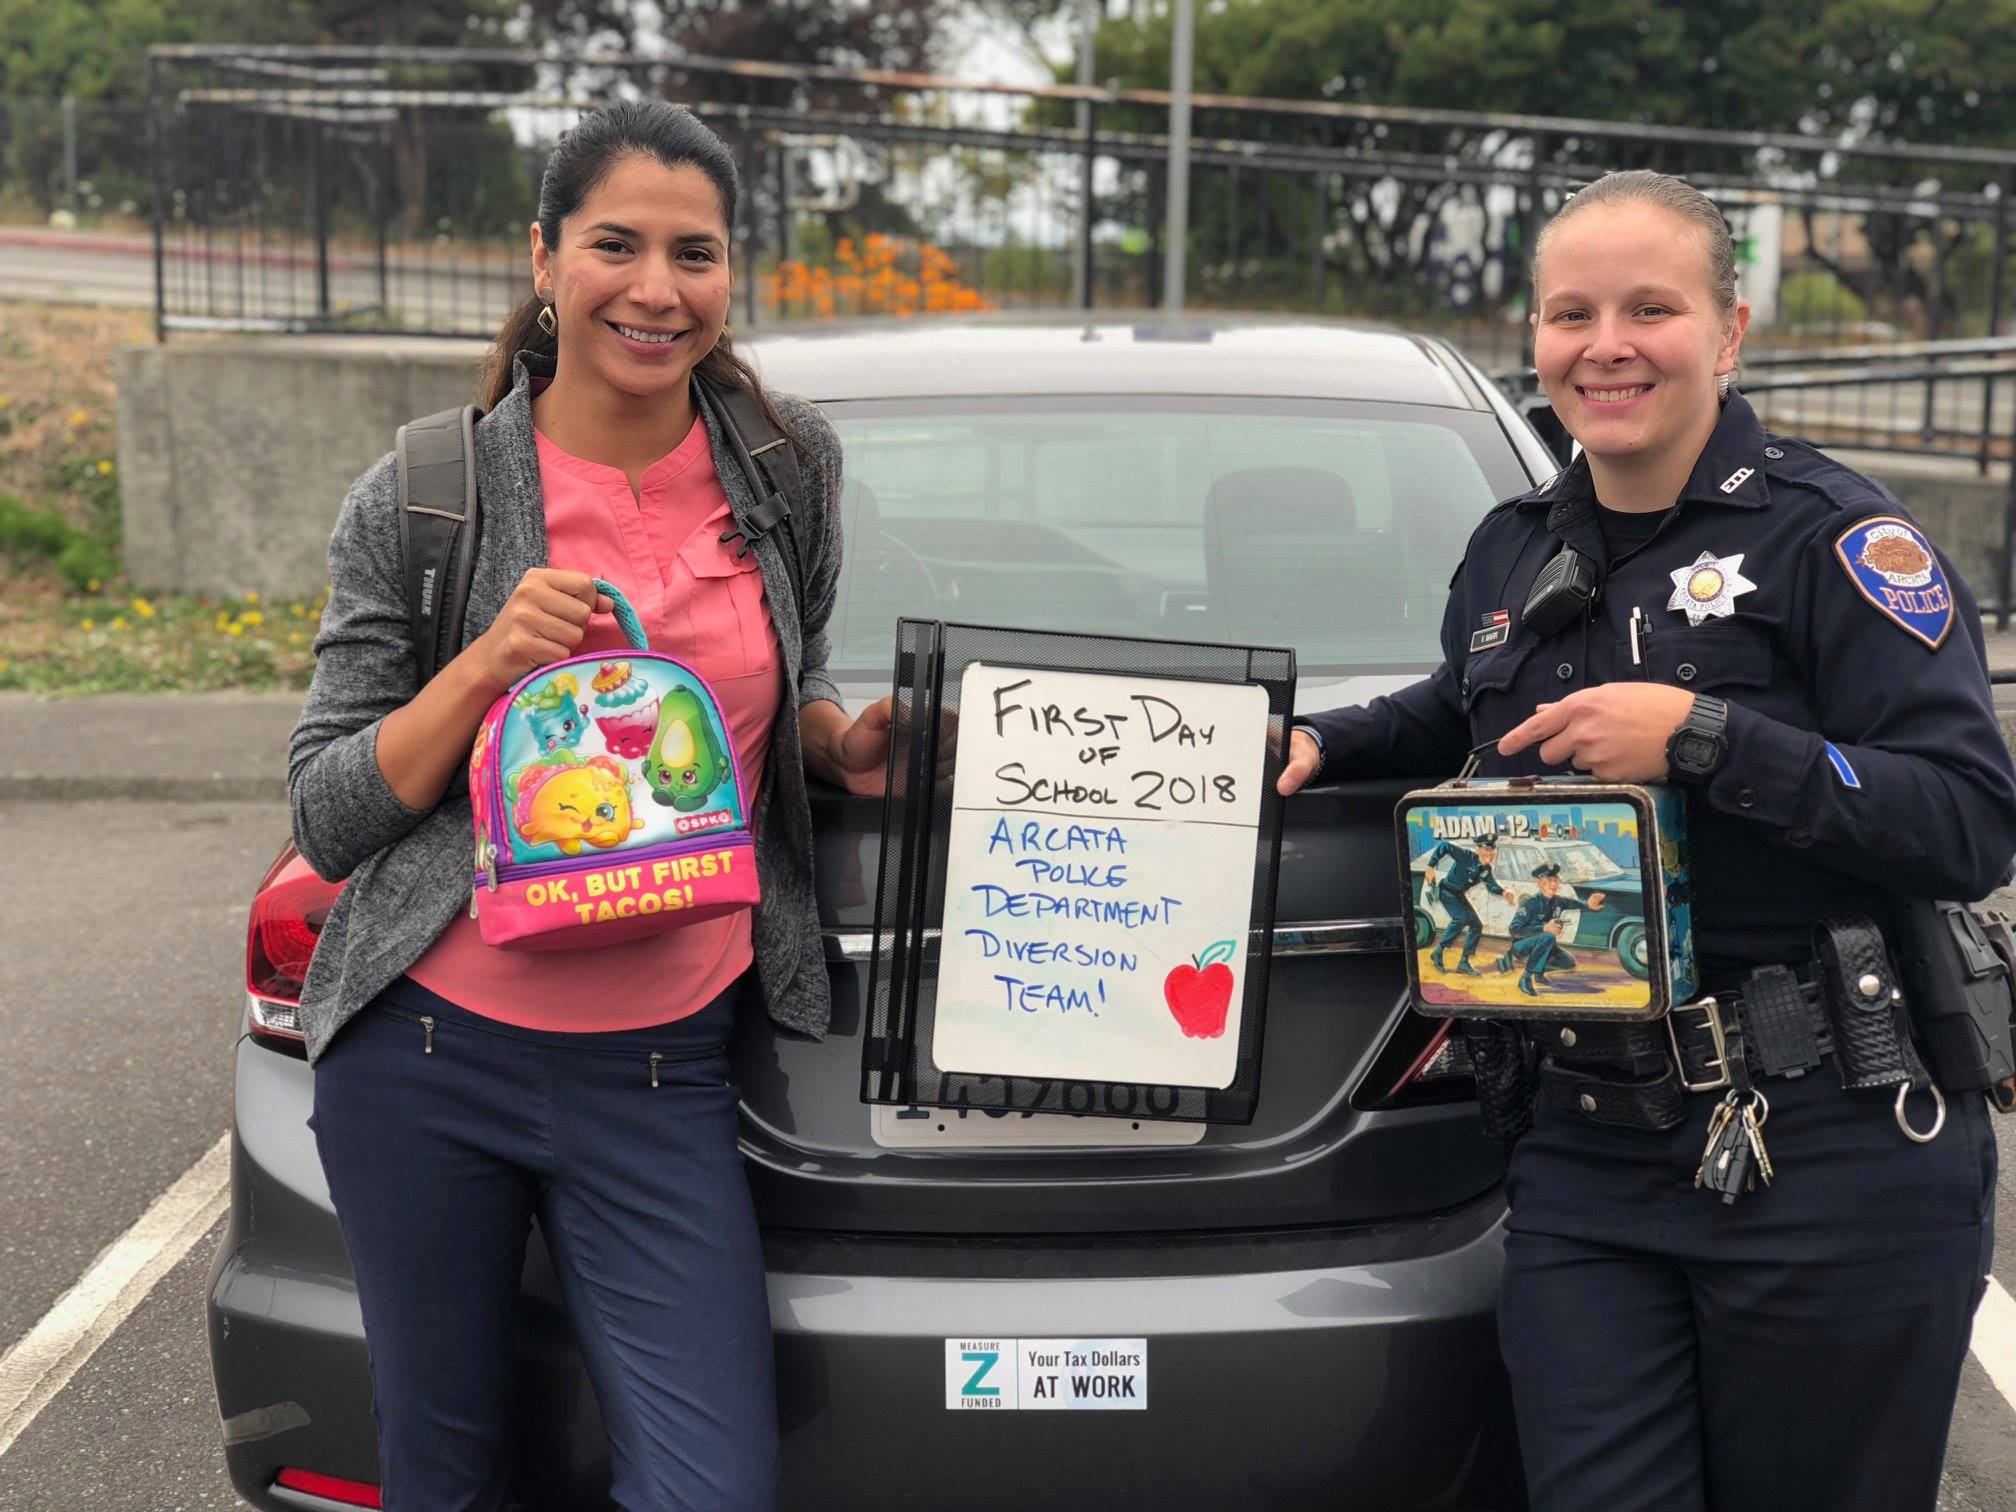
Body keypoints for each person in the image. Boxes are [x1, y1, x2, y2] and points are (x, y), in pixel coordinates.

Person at [1278, 169, 2016, 1512]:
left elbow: (1967, 821)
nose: (1604, 344)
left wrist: (1708, 737)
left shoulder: (1842, 543)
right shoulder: (1513, 548)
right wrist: (1329, 737)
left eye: (1650, 308)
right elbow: (1464, 700)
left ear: (1730, 332)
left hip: (1828, 1145)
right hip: (1584, 1152)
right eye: (1571, 312)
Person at [286, 101, 891, 1511]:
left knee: (709, 1488)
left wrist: (839, 743)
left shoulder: (788, 468)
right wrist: (490, 663)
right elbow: (324, 810)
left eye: (698, 254)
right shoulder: (425, 496)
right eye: (616, 245)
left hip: (664, 1071)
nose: (657, 290)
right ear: (544, 258)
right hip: (428, 1058)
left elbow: (762, 698)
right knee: (447, 1476)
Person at [1496, 863, 1606, 996]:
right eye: (1549, 881)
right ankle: (1525, 978)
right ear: (1540, 883)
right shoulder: (1529, 903)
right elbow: (1514, 929)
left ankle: (1539, 972)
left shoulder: (1558, 901)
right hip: (1522, 946)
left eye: (1556, 881)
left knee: (1568, 962)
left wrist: (1588, 906)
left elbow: (1573, 903)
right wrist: (1544, 927)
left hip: (1543, 946)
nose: (1553, 884)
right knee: (1549, 936)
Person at [1422, 830, 1507, 973]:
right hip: (1446, 891)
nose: (1489, 853)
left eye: (1492, 850)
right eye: (1486, 849)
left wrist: (1503, 892)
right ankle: (1438, 952)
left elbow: (1491, 885)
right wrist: (1430, 867)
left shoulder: (1486, 869)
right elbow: (1444, 845)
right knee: (1460, 919)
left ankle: (1464, 962)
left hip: (1459, 895)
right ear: (1478, 849)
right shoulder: (1466, 856)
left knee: (1476, 925)